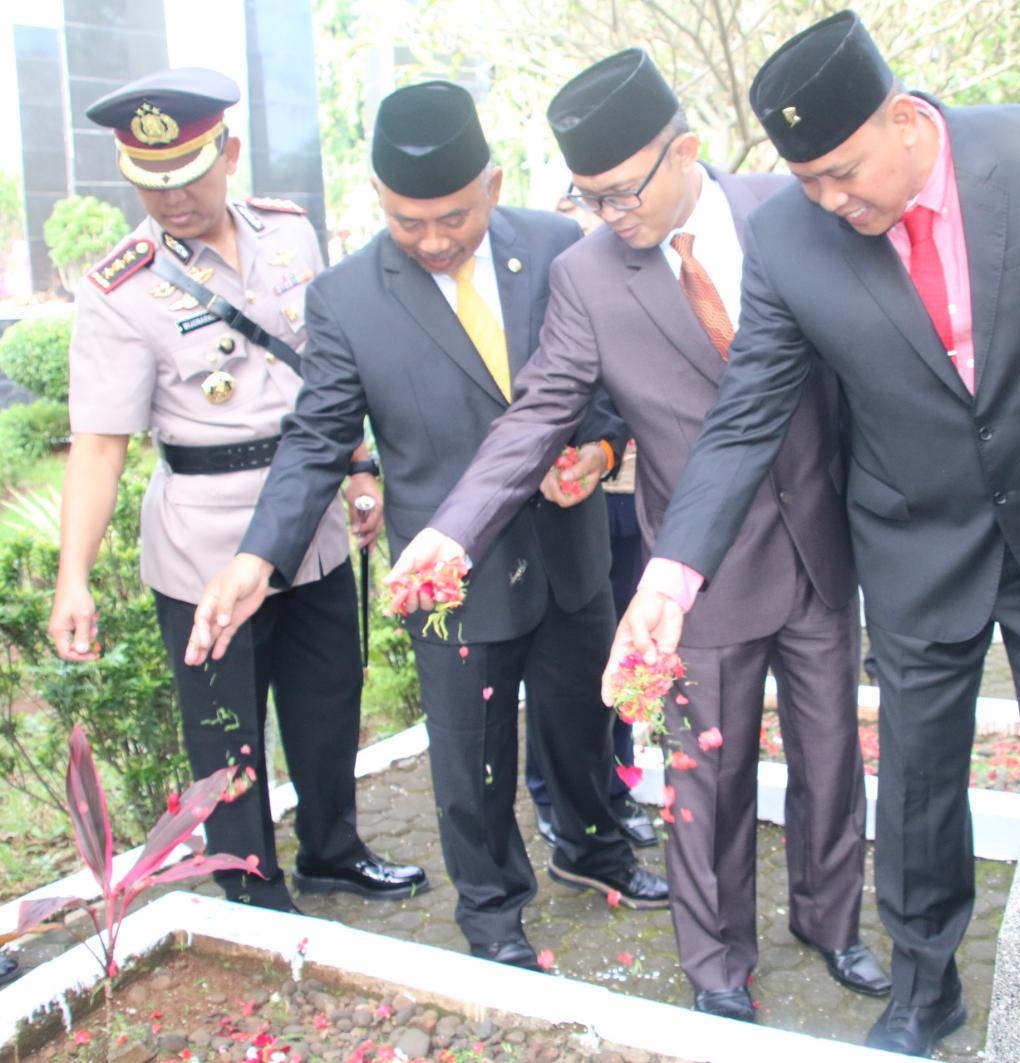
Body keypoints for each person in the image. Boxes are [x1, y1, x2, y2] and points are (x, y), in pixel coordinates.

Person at [610, 12, 1020, 1060]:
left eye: (843, 173)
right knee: (920, 778)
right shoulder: (791, 242)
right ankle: (923, 982)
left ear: (902, 119)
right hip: (913, 541)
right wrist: (673, 567)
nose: (831, 202)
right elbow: (748, 411)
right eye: (806, 182)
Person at [386, 49, 888, 1020]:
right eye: (587, 196)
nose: (609, 215)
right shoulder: (586, 278)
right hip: (690, 576)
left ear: (684, 150)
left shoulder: (785, 212)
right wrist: (454, 530)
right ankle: (715, 964)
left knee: (830, 759)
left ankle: (832, 926)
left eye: (620, 192)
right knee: (704, 770)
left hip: (821, 546)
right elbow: (535, 414)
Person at [185, 81, 667, 968]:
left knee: (583, 720)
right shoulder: (345, 298)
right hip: (451, 575)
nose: (436, 240)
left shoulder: (563, 245)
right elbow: (316, 440)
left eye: (453, 216)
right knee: (470, 757)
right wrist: (260, 557)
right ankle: (491, 914)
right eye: (410, 222)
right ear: (378, 200)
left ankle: (595, 850)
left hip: (568, 549)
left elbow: (614, 387)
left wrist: (597, 457)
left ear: (490, 182)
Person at [46, 68, 425, 912]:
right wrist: (74, 576)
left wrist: (359, 468)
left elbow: (330, 375)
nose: (170, 199)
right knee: (227, 727)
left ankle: (334, 848)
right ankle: (248, 879)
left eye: (185, 175)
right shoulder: (120, 289)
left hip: (314, 519)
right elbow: (101, 447)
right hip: (205, 539)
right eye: (149, 182)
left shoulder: (291, 236)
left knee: (329, 699)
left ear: (230, 153)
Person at [525, 189, 654, 851]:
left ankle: (614, 784)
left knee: (622, 650)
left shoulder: (633, 286)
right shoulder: (545, 304)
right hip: (572, 500)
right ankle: (552, 791)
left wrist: (608, 448)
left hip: (632, 497)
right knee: (563, 664)